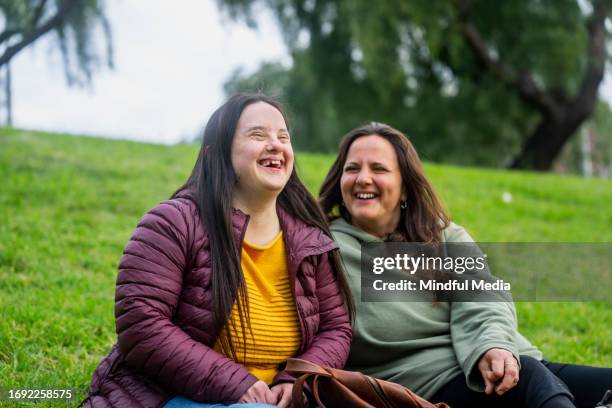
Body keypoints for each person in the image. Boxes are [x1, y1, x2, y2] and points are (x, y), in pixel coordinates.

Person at [82, 93, 353, 408]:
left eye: (283, 137)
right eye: (257, 135)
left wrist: (295, 383)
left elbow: (336, 329)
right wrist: (235, 385)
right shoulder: (173, 222)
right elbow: (142, 325)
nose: (276, 145)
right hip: (178, 397)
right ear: (217, 153)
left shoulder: (309, 239)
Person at [319, 122, 612, 408]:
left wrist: (493, 345)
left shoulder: (443, 234)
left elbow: (483, 294)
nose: (363, 178)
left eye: (379, 169)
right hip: (429, 384)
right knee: (530, 381)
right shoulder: (325, 247)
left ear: (405, 187)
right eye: (352, 168)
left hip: (501, 359)